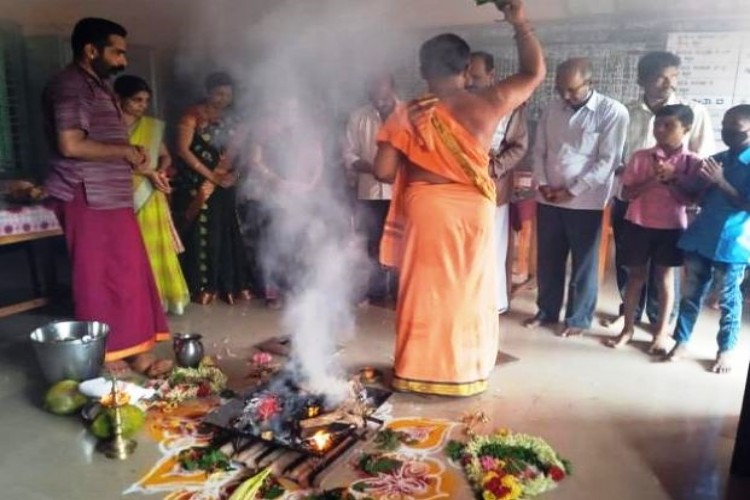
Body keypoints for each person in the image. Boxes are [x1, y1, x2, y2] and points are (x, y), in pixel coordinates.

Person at [372, 0, 545, 396]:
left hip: (426, 208)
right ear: (466, 70)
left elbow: (382, 172)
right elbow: (534, 72)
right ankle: (464, 372)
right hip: (474, 209)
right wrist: (519, 22)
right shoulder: (487, 101)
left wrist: (418, 154)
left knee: (423, 290)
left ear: (422, 71)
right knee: (468, 289)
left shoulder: (407, 112)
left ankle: (416, 370)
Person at [43, 18, 171, 376]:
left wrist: (135, 159)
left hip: (111, 195)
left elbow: (103, 144)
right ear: (91, 50)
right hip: (85, 194)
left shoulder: (96, 86)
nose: (122, 61)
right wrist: (125, 153)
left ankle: (138, 351)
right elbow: (71, 144)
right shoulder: (70, 86)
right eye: (117, 52)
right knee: (98, 279)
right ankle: (109, 355)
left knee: (128, 273)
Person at [606, 51, 715, 328]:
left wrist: (680, 181)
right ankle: (628, 313)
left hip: (676, 203)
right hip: (633, 200)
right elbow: (614, 154)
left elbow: (703, 156)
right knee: (630, 264)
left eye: (673, 77)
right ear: (642, 80)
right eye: (660, 78)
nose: (669, 84)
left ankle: (660, 321)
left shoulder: (693, 112)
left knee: (665, 268)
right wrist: (628, 171)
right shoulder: (625, 112)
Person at [524, 58, 629, 337]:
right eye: (560, 90)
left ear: (590, 83)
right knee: (548, 259)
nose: (565, 96)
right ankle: (546, 312)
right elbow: (539, 151)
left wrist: (571, 190)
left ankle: (578, 318)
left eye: (572, 90)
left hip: (585, 202)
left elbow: (608, 161)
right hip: (548, 198)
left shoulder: (612, 112)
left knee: (583, 262)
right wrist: (544, 184)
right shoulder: (551, 108)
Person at [605, 104, 702, 350]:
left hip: (671, 227)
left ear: (686, 128)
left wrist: (672, 179)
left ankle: (660, 333)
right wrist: (652, 180)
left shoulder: (692, 162)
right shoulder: (641, 157)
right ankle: (627, 328)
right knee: (635, 277)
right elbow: (626, 193)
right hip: (639, 223)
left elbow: (691, 200)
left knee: (665, 279)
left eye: (668, 125)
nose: (660, 130)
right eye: (657, 124)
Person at [664, 105, 750, 374]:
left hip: (732, 243)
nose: (726, 132)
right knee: (690, 295)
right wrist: (673, 178)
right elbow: (694, 195)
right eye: (724, 125)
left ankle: (725, 350)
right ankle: (681, 341)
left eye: (734, 128)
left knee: (728, 299)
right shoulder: (719, 158)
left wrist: (721, 181)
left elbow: (746, 204)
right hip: (702, 236)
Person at [114, 75, 190, 316]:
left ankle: (160, 299)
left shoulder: (152, 127)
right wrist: (146, 172)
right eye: (137, 100)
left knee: (154, 248)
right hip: (120, 194)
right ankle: (135, 301)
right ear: (119, 99)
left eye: (146, 100)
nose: (142, 105)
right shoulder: (109, 127)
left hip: (149, 197)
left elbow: (165, 156)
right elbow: (109, 159)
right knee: (128, 250)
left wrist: (160, 170)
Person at [173, 72, 250, 305]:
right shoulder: (192, 115)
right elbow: (183, 150)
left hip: (225, 183)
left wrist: (234, 174)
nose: (223, 98)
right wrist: (211, 177)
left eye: (227, 94)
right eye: (218, 93)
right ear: (208, 92)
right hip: (199, 184)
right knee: (204, 233)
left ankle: (231, 285)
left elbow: (241, 152)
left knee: (227, 230)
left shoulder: (234, 120)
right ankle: (205, 286)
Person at [247, 95, 324, 309]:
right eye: (285, 107)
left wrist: (309, 184)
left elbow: (318, 162)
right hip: (274, 194)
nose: (289, 112)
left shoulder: (308, 132)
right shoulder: (264, 130)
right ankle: (273, 290)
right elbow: (255, 161)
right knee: (272, 241)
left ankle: (297, 288)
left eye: (293, 108)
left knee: (300, 241)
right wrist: (276, 181)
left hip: (302, 194)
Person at [468, 50, 529, 314]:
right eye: (466, 74)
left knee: (490, 245)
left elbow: (518, 146)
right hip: (458, 189)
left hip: (492, 187)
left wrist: (493, 167)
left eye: (477, 76)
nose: (470, 81)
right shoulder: (455, 104)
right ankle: (464, 302)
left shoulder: (508, 107)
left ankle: (491, 304)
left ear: (491, 76)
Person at [342, 74, 400, 305]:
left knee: (400, 241)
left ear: (391, 88)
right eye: (373, 88)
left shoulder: (407, 114)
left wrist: (391, 171)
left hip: (400, 192)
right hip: (369, 190)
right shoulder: (358, 117)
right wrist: (373, 168)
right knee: (372, 241)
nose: (377, 93)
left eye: (381, 88)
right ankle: (376, 291)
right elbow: (348, 154)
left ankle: (398, 291)